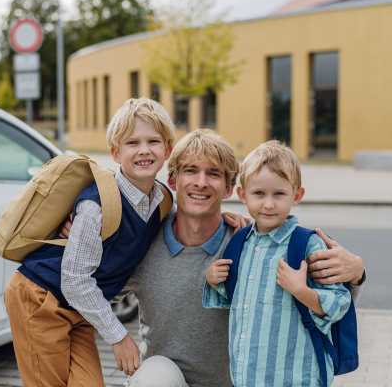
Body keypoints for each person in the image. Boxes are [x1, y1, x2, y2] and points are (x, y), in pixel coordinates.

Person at [121, 130, 366, 387]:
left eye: (213, 173)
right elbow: (92, 290)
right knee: (153, 375)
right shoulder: (144, 244)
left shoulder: (244, 241)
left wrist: (357, 273)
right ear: (172, 179)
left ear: (228, 189)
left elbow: (335, 302)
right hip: (170, 379)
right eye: (191, 171)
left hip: (250, 381)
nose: (201, 182)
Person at [3, 97, 177, 386]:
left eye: (153, 141)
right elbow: (74, 279)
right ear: (116, 153)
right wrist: (119, 336)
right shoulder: (97, 204)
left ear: (167, 149)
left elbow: (184, 217)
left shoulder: (161, 201)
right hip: (40, 298)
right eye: (132, 143)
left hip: (80, 309)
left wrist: (226, 216)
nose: (144, 150)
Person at [204, 140, 352, 387]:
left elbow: (340, 302)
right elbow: (237, 299)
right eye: (259, 194)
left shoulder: (307, 245)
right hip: (247, 375)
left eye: (279, 194)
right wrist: (213, 279)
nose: (269, 204)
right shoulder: (240, 242)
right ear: (243, 195)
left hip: (295, 376)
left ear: (297, 195)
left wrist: (301, 291)